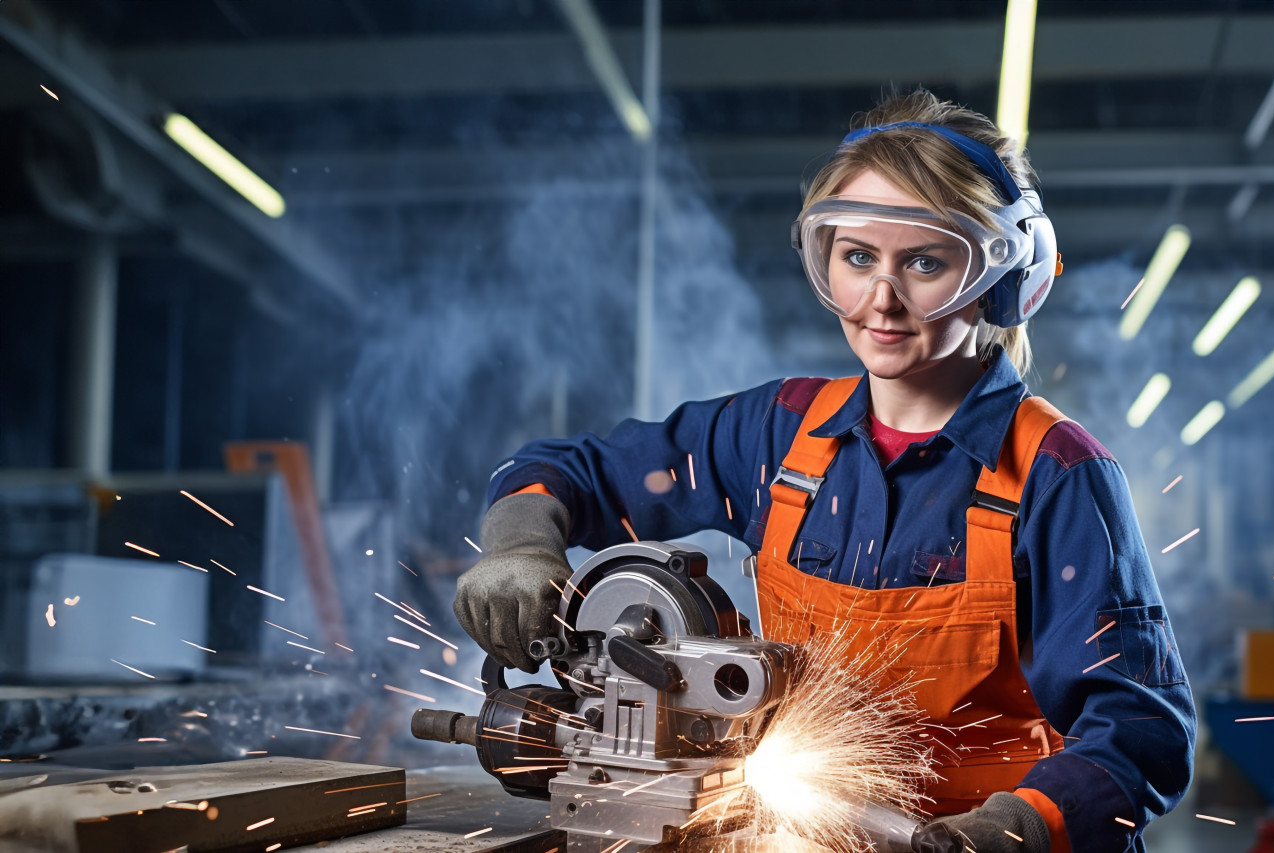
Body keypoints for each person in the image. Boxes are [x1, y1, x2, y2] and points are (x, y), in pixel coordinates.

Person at [453, 89, 1195, 853]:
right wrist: (520, 540)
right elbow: (569, 469)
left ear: (1004, 277)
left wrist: (1021, 826)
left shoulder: (1057, 472)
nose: (882, 299)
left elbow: (1143, 729)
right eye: (858, 257)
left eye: (926, 261)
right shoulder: (778, 433)